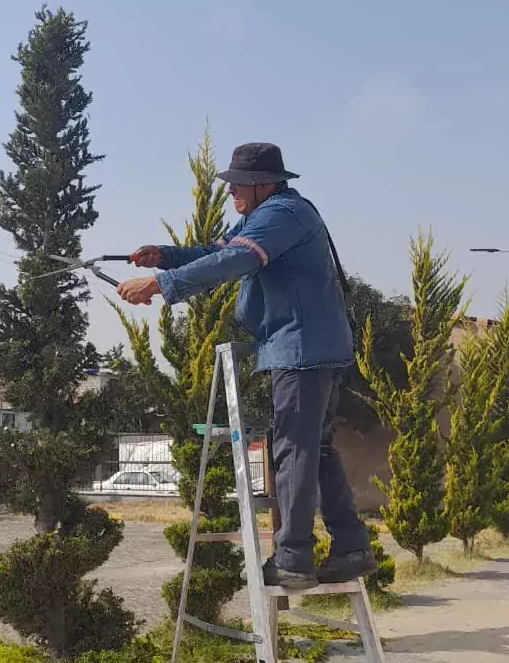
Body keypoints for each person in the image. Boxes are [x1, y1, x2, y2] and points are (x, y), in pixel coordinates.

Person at [117, 141, 375, 589]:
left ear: (265, 185)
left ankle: (294, 558)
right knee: (317, 448)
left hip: (301, 349)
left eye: (239, 185)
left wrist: (161, 285)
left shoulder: (282, 215)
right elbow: (219, 249)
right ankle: (351, 547)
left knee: (294, 449)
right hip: (310, 346)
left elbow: (236, 259)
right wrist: (168, 256)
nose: (231, 191)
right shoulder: (270, 214)